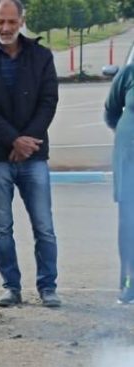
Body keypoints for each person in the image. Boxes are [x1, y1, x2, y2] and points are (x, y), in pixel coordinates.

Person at [0, 0, 61, 308]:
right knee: (1, 228)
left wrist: (28, 141)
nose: (6, 28)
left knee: (44, 226)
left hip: (34, 155)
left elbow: (48, 101)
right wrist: (13, 141)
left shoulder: (41, 56)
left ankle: (48, 287)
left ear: (22, 21)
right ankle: (11, 287)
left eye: (11, 21)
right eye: (0, 22)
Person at [105, 61, 134, 304]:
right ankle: (130, 281)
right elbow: (111, 112)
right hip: (130, 161)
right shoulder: (129, 73)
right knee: (129, 224)